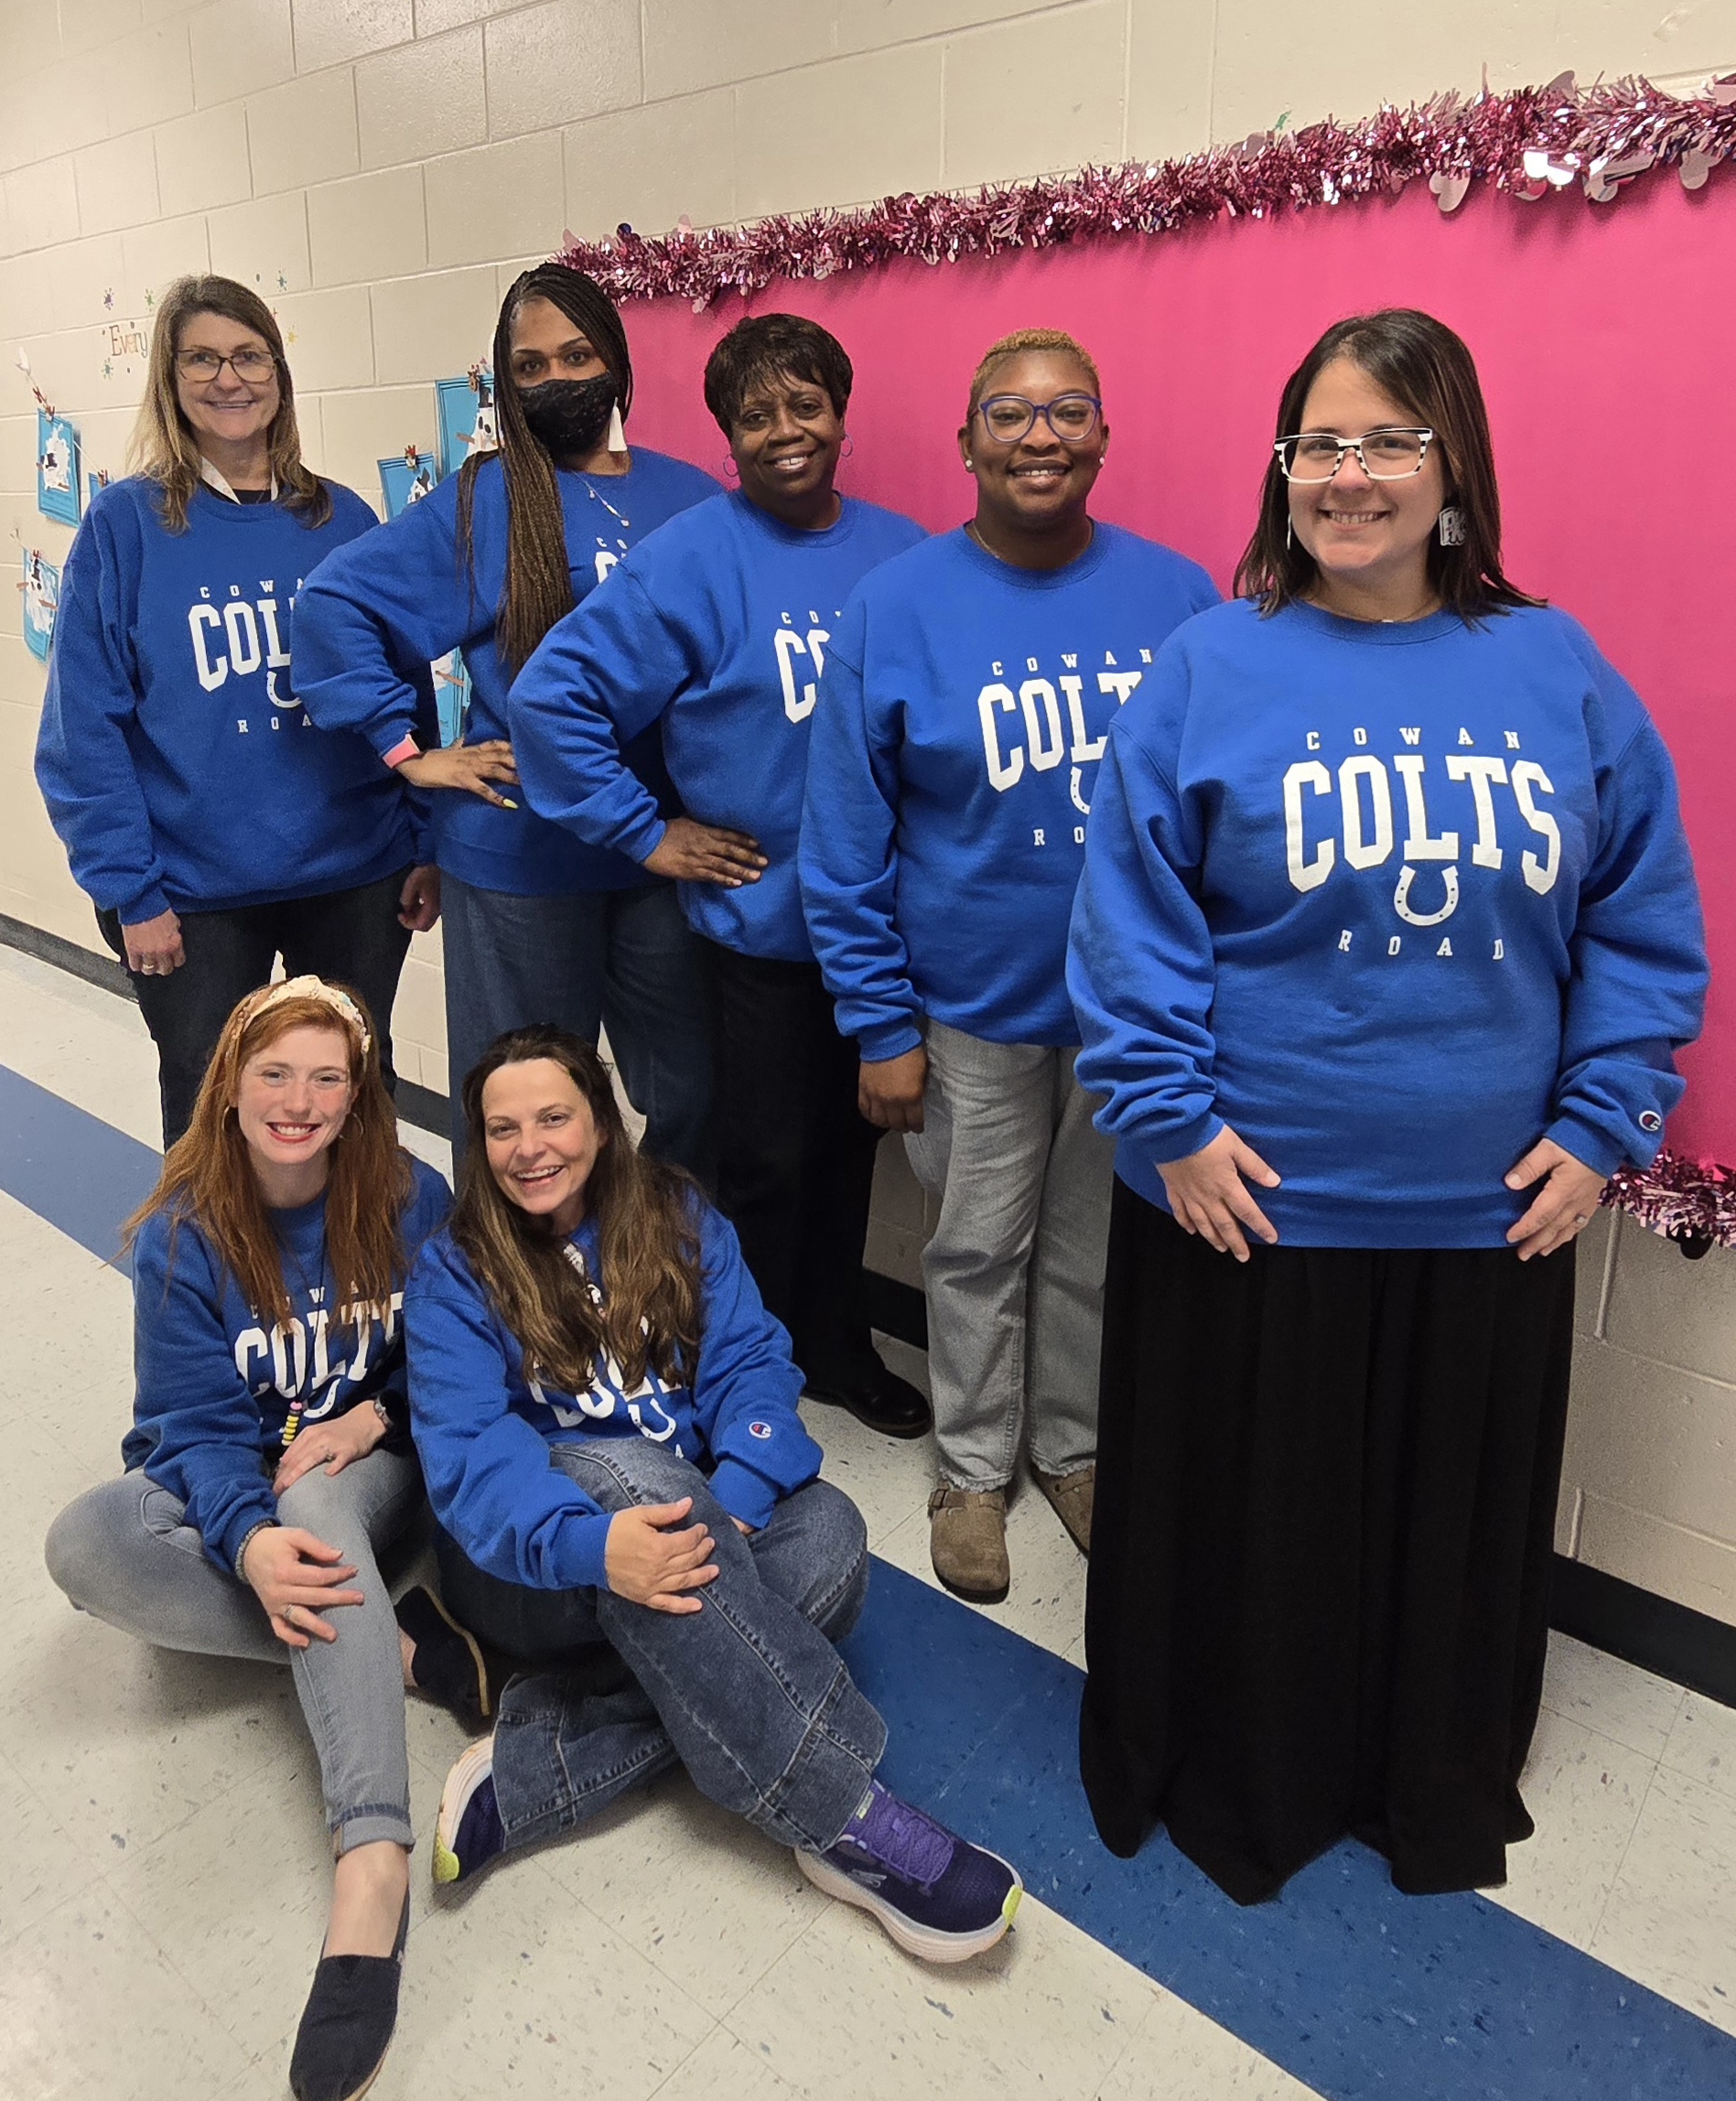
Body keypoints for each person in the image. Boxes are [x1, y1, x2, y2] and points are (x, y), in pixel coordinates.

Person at [1066, 307, 1709, 1904]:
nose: (1349, 476)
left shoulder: (1554, 668)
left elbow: (1640, 916)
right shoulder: (1209, 661)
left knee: (1437, 1540)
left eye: (1387, 442)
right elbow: (1126, 911)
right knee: (1255, 1541)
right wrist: (1169, 1121)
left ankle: (1420, 1773)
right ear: (1281, 468)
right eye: (1319, 444)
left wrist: (1600, 1122)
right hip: (1247, 1204)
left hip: (1485, 1218)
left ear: (1452, 468)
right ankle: (1246, 1778)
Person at [404, 1025, 1022, 1963]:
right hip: (532, 1568)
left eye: (552, 1117)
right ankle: (843, 1814)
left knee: (832, 1538)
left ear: (602, 1124)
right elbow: (472, 1461)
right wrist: (594, 1547)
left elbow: (750, 1358)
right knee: (629, 1476)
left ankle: (544, 1756)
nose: (527, 1147)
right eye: (500, 1129)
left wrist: (733, 1490)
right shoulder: (455, 1270)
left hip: (683, 1523)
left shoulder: (678, 1216)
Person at [802, 329, 1219, 1602]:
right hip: (967, 1011)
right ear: (968, 440)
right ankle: (971, 1472)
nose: (1041, 435)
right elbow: (844, 832)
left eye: (1068, 411)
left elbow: (1216, 805)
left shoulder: (1181, 596)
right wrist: (878, 1022)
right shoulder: (897, 606)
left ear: (1103, 436)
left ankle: (1073, 1452)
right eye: (1011, 413)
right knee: (975, 1248)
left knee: (1092, 1249)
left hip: (1127, 1012)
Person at [41, 976, 480, 2101]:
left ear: (358, 1092)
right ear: (228, 1085)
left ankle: (370, 1866)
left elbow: (451, 1365)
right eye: (273, 1073)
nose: (298, 1099)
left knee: (318, 1503)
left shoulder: (409, 1197)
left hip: (375, 1475)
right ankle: (382, 1643)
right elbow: (188, 1428)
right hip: (252, 1484)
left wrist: (371, 1416)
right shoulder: (183, 1233)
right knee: (88, 1542)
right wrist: (240, 1541)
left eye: (327, 1076)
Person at [508, 313, 930, 1438]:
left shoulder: (905, 554)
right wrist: (647, 832)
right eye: (755, 415)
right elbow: (553, 700)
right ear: (726, 436)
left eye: (805, 405)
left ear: (842, 414)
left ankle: (835, 1346)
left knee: (852, 1161)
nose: (784, 432)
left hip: (883, 933)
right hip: (762, 935)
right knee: (763, 1166)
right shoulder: (692, 557)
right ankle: (739, 1369)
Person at [292, 264, 719, 1172]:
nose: (559, 379)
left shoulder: (690, 500)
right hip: (519, 857)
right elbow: (335, 604)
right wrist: (410, 753)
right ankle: (518, 1298)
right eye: (530, 367)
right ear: (505, 383)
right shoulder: (487, 498)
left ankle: (660, 1270)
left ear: (615, 358)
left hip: (660, 854)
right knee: (522, 1107)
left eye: (577, 354)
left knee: (691, 1091)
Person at [36, 275, 437, 1148]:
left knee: (358, 1095)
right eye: (203, 359)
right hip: (191, 895)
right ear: (170, 380)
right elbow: (82, 733)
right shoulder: (124, 529)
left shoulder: (342, 519)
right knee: (211, 1113)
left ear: (280, 374)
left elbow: (404, 689)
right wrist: (129, 891)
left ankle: (368, 1275)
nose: (230, 378)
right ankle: (215, 1286)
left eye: (249, 356)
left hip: (356, 871)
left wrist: (423, 840)